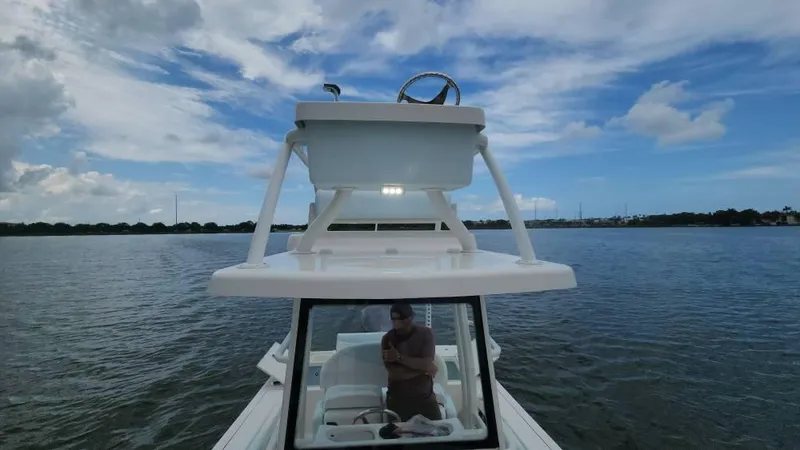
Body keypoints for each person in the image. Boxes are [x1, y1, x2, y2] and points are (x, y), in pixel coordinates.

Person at [381, 302, 442, 422]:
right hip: (398, 400)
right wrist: (424, 370)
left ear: (410, 318)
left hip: (426, 399)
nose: (396, 322)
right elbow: (395, 374)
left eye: (400, 319)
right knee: (398, 437)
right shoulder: (388, 339)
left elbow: (426, 363)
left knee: (439, 434)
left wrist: (398, 357)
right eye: (394, 319)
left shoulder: (426, 334)